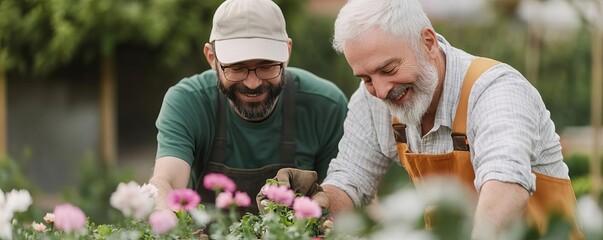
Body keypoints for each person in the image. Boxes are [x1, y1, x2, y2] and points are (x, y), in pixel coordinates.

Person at [264, 0, 583, 239]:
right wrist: (310, 204)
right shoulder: (372, 101)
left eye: (389, 69)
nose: (382, 89)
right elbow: (350, 184)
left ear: (428, 43)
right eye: (365, 78)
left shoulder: (495, 91)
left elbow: (506, 183)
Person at [148, 0, 348, 214]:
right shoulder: (188, 102)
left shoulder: (325, 106)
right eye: (237, 68)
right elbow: (166, 180)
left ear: (287, 53)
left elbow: (345, 192)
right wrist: (166, 219)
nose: (253, 84)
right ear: (212, 58)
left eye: (266, 66)